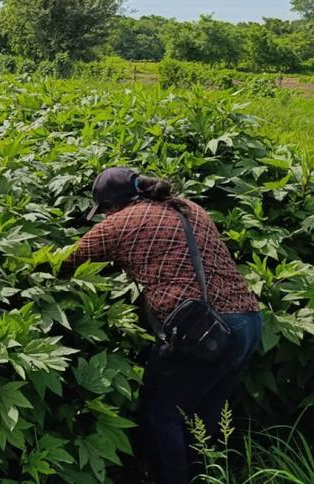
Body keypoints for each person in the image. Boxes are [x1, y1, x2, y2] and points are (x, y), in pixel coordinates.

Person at [62, 167, 262, 484]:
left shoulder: (116, 225)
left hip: (201, 333)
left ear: (112, 206)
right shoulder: (187, 206)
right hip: (248, 323)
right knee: (202, 417)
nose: (104, 217)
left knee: (162, 415)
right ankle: (204, 477)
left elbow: (66, 263)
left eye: (104, 211)